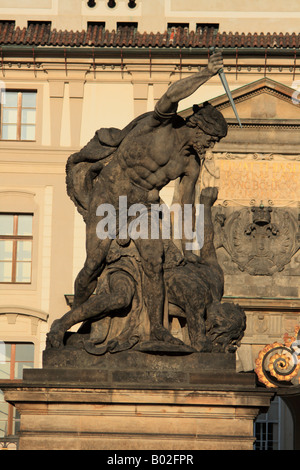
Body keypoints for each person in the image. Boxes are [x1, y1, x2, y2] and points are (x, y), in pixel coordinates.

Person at [49, 51, 227, 348]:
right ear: (198, 127)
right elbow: (170, 95)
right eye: (209, 139)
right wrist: (206, 73)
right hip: (111, 196)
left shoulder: (190, 164)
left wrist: (186, 250)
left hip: (143, 209)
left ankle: (157, 329)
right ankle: (73, 321)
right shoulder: (162, 126)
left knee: (153, 260)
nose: (208, 146)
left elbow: (183, 205)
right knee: (93, 264)